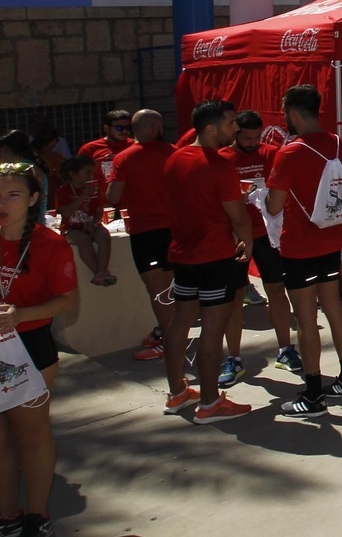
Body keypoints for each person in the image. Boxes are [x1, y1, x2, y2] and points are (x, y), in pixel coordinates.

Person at [0, 161, 79, 537]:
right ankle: (7, 515)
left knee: (31, 434)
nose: (1, 203)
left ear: (34, 198)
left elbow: (67, 300)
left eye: (13, 194)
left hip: (32, 346)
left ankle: (37, 514)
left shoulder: (50, 243)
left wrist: (22, 314)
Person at [266, 84, 342, 418]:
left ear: (293, 114)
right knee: (335, 309)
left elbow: (274, 206)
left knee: (306, 319)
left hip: (299, 246)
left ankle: (312, 395)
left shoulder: (288, 153)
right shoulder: (340, 145)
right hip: (331, 242)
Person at [159, 100, 256, 424]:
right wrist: (247, 248)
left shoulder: (174, 158)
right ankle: (211, 402)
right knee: (213, 328)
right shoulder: (219, 164)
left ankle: (177, 392)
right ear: (211, 128)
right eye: (231, 123)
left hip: (183, 254)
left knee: (180, 322)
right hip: (214, 256)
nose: (236, 129)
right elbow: (238, 217)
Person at [217, 111, 298, 382]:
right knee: (236, 297)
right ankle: (234, 359)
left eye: (255, 137)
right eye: (246, 137)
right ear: (235, 133)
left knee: (276, 289)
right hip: (237, 237)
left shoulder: (271, 153)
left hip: (267, 235)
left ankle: (286, 350)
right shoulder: (223, 158)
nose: (252, 143)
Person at [105, 110, 175, 361]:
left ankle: (170, 342)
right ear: (157, 126)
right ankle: (170, 335)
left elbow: (112, 197)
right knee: (173, 287)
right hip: (176, 229)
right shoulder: (174, 152)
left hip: (146, 231)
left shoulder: (124, 158)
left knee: (158, 291)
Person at [53, 155, 115, 287]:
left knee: (104, 236)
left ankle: (103, 270)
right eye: (87, 172)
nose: (91, 176)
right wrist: (83, 196)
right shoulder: (63, 192)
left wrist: (94, 224)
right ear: (73, 174)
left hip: (92, 224)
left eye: (92, 172)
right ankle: (97, 272)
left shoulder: (96, 190)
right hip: (71, 228)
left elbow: (99, 210)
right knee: (83, 239)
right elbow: (66, 212)